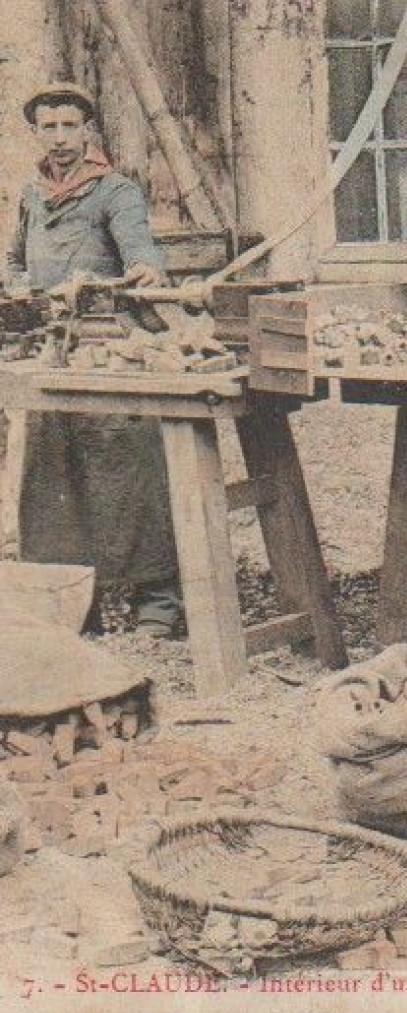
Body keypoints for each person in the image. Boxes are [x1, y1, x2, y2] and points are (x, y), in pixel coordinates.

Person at [4, 82, 180, 637]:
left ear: (87, 130)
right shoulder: (33, 196)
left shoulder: (115, 192)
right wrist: (14, 284)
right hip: (52, 349)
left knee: (127, 473)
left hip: (108, 347)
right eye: (48, 126)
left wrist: (146, 269)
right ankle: (75, 606)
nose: (59, 138)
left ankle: (157, 603)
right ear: (37, 132)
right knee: (54, 477)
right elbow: (14, 259)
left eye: (68, 126)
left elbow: (140, 249)